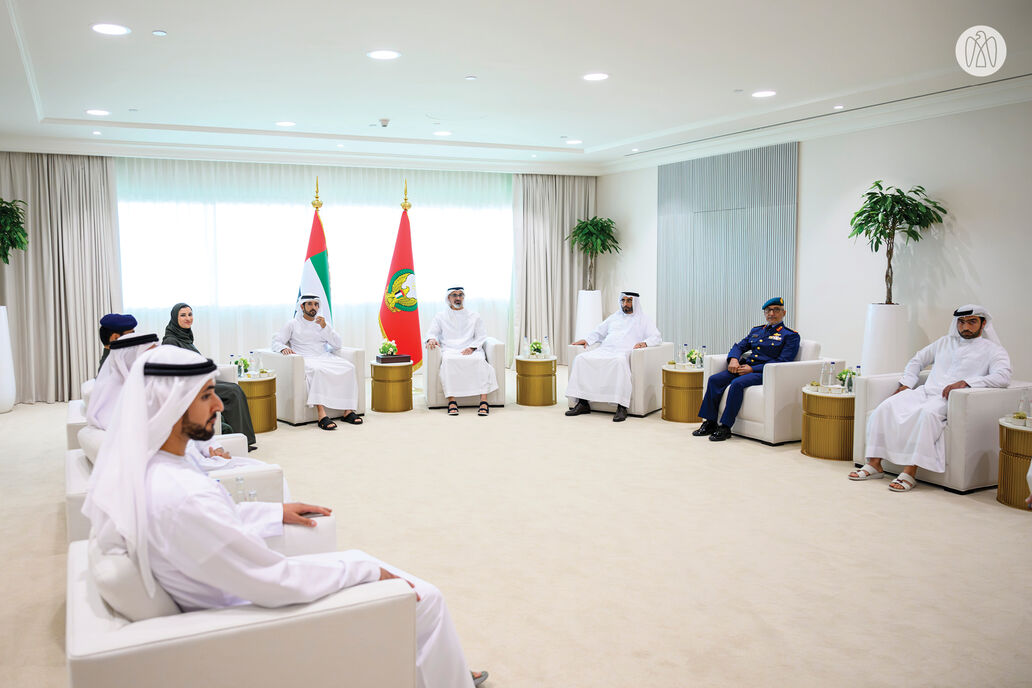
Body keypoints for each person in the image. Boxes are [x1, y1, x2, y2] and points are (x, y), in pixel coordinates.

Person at [81, 345, 486, 688]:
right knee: (424, 596)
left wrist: (274, 511)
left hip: (241, 591)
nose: (220, 404)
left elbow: (216, 528)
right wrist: (363, 570)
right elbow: (275, 583)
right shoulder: (179, 495)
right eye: (206, 395)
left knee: (379, 571)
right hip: (255, 619)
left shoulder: (156, 467)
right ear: (169, 405)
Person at [850, 304, 1011, 492]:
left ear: (983, 324)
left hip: (950, 399)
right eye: (961, 322)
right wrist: (906, 384)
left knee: (926, 415)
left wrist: (966, 382)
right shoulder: (944, 342)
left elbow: (1003, 376)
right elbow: (917, 360)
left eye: (972, 322)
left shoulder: (993, 350)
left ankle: (909, 473)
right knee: (886, 407)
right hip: (925, 392)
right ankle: (875, 464)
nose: (965, 327)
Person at [85, 332, 280, 484]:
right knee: (266, 474)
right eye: (150, 354)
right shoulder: (117, 407)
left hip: (196, 458)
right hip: (184, 470)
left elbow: (187, 422)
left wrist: (214, 448)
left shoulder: (153, 388)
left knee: (260, 467)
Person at [692, 297, 800, 442]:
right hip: (744, 367)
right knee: (714, 380)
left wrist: (752, 369)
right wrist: (734, 359)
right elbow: (739, 346)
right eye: (768, 310)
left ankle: (725, 427)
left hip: (764, 372)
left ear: (784, 313)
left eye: (776, 310)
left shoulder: (790, 335)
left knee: (737, 384)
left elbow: (783, 361)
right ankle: (710, 422)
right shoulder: (757, 331)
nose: (771, 313)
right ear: (765, 313)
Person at [163, 303, 257, 449]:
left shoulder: (185, 336)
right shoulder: (171, 340)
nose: (188, 318)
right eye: (183, 315)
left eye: (190, 314)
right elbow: (174, 370)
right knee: (232, 392)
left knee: (235, 388)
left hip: (200, 381)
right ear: (175, 318)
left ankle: (243, 440)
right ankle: (241, 441)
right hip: (190, 386)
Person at [566, 291, 662, 422]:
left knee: (618, 362)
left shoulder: (643, 319)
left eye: (629, 301)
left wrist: (645, 343)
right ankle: (582, 403)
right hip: (606, 349)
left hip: (624, 352)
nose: (625, 304)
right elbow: (599, 332)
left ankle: (621, 406)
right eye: (623, 301)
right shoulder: (614, 317)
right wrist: (587, 340)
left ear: (634, 302)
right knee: (581, 359)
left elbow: (656, 337)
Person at [271, 294, 362, 430]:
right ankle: (321, 415)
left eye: (316, 304)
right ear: (302, 306)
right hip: (305, 358)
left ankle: (348, 411)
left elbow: (337, 345)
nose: (313, 307)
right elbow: (276, 341)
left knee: (349, 367)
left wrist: (325, 327)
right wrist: (284, 348)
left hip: (324, 356)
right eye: (310, 304)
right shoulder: (292, 324)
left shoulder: (322, 324)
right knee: (318, 371)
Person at [425, 287, 499, 416]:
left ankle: (483, 401)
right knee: (448, 361)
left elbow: (481, 335)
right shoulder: (440, 316)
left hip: (471, 349)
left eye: (460, 295)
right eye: (454, 295)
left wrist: (472, 348)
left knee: (480, 361)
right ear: (449, 298)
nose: (458, 298)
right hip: (450, 349)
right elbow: (432, 332)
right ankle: (452, 401)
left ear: (463, 297)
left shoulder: (474, 315)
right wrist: (431, 339)